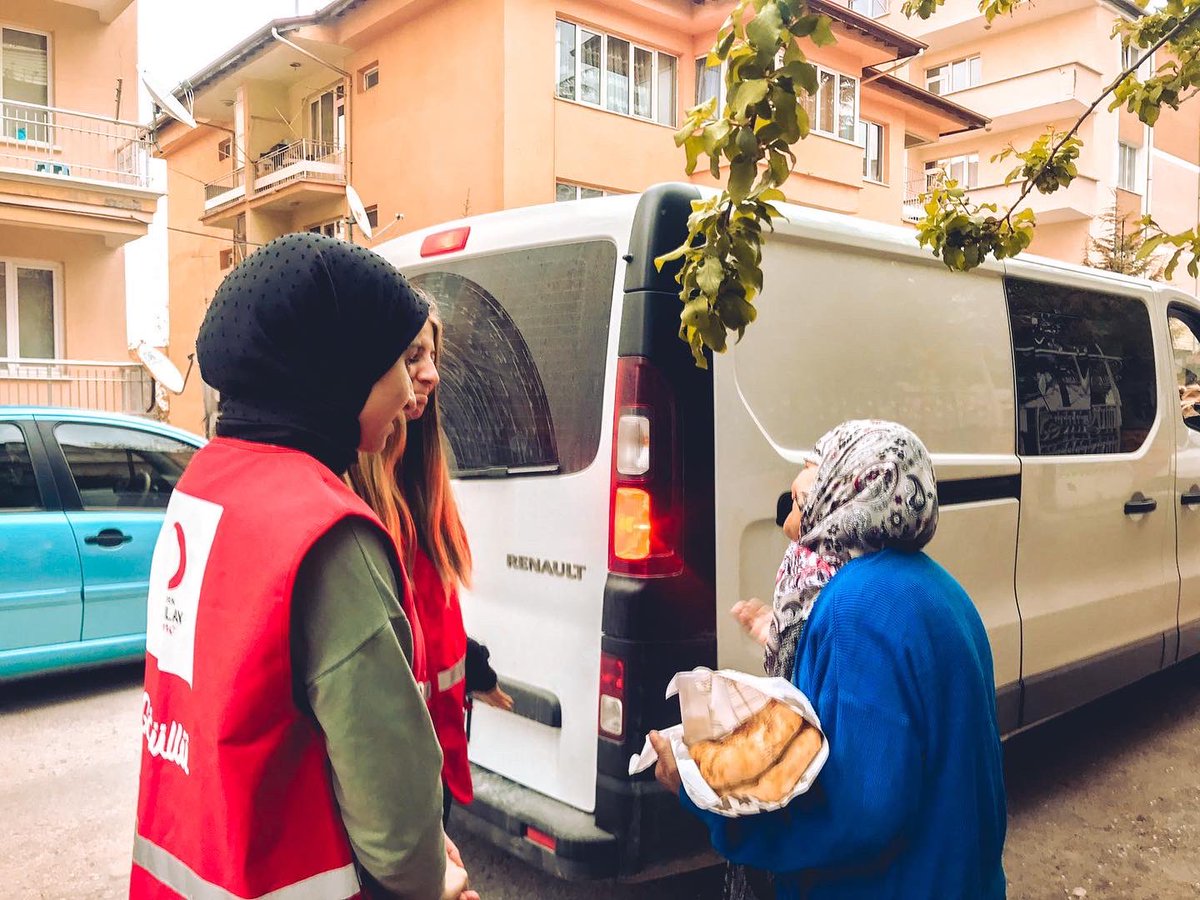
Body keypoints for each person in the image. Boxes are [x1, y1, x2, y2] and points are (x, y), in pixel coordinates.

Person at [131, 233, 475, 900]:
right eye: (395, 362)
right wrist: (433, 877)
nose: (410, 386)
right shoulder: (328, 534)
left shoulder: (208, 482)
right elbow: (396, 835)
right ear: (342, 374)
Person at [650, 420, 1007, 900]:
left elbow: (859, 811)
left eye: (805, 484)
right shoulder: (938, 587)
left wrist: (702, 797)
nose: (792, 505)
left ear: (850, 489)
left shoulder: (856, 605)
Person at [349, 293, 512, 827]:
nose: (431, 374)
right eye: (412, 357)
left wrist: (472, 664)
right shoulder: (352, 500)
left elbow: (425, 611)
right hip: (395, 783)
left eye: (433, 357)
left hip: (435, 758)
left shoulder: (417, 477)